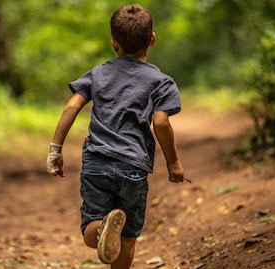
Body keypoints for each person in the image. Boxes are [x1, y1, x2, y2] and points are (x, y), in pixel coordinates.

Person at [46, 4, 186, 268]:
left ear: (114, 44)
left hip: (96, 163)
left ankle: (100, 230)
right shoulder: (161, 81)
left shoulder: (98, 73)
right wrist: (172, 162)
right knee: (128, 235)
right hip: (132, 168)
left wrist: (55, 150)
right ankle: (110, 233)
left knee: (92, 227)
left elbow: (72, 106)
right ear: (152, 39)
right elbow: (161, 122)